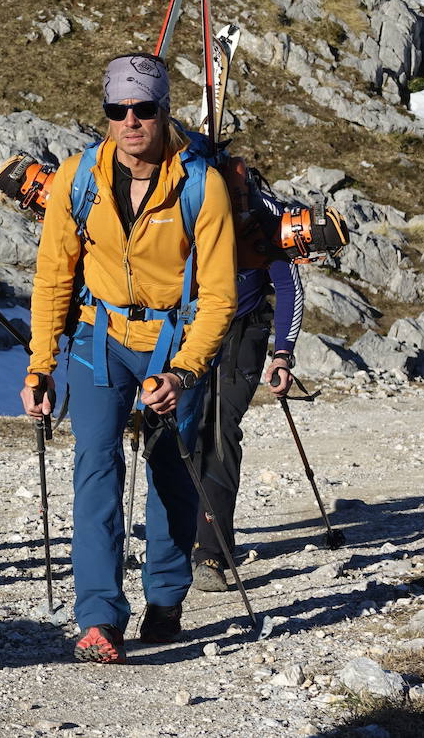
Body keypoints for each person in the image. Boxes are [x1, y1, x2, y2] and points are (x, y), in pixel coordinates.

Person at [22, 53, 236, 663]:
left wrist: (185, 370)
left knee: (171, 471)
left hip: (175, 341)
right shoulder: (77, 178)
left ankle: (166, 598)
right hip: (99, 337)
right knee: (95, 469)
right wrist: (41, 364)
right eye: (118, 111)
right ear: (107, 115)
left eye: (143, 110)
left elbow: (219, 294)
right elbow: (53, 278)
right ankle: (98, 616)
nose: (131, 121)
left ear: (165, 113)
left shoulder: (202, 184)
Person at [192, 173, 304, 591]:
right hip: (183, 328)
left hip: (243, 330)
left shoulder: (261, 211)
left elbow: (288, 285)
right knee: (174, 433)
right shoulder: (177, 192)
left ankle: (211, 552)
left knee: (219, 430)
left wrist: (283, 352)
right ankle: (178, 539)